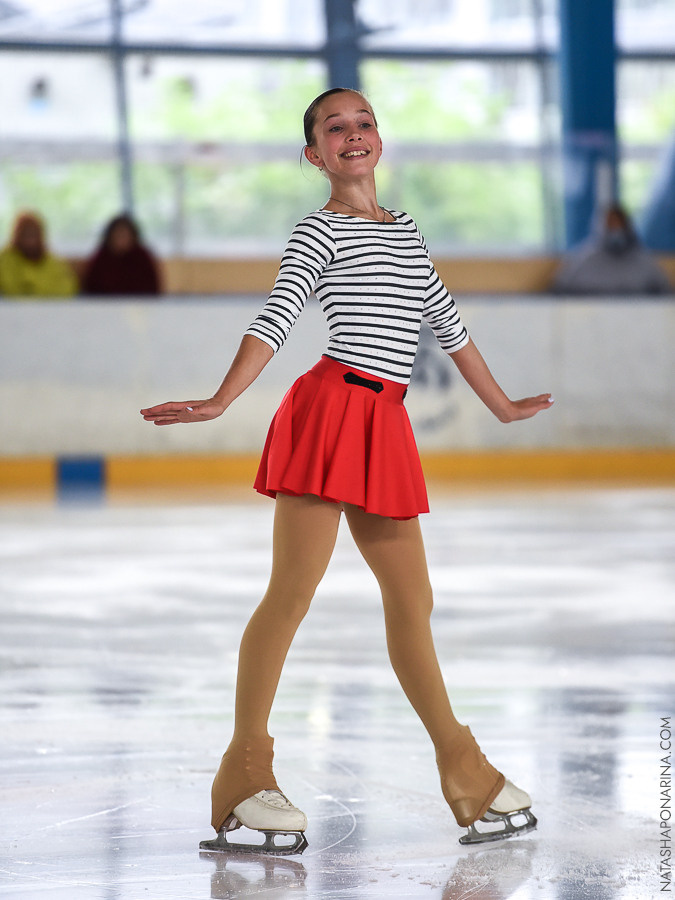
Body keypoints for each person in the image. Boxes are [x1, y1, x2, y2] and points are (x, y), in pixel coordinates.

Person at [141, 88, 553, 851]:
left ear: (378, 140)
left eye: (363, 122)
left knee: (413, 598)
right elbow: (277, 315)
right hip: (330, 412)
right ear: (314, 155)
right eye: (335, 128)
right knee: (291, 593)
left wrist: (499, 405)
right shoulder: (318, 230)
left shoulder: (405, 229)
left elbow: (446, 321)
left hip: (383, 422)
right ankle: (243, 776)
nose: (353, 134)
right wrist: (221, 399)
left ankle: (464, 769)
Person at [551, 202, 671, 295]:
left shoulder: (644, 263)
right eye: (611, 224)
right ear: (600, 227)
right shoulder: (583, 261)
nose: (615, 229)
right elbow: (559, 293)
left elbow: (665, 295)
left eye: (619, 224)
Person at [0, 212, 78, 298]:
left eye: (33, 234)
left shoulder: (54, 263)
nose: (30, 241)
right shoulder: (5, 260)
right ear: (16, 236)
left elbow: (68, 288)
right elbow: (10, 290)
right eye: (25, 234)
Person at [82, 214, 161, 296]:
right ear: (110, 237)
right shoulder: (101, 258)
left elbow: (151, 291)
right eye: (118, 235)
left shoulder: (142, 258)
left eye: (125, 235)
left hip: (138, 302)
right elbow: (91, 290)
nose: (121, 239)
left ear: (133, 237)